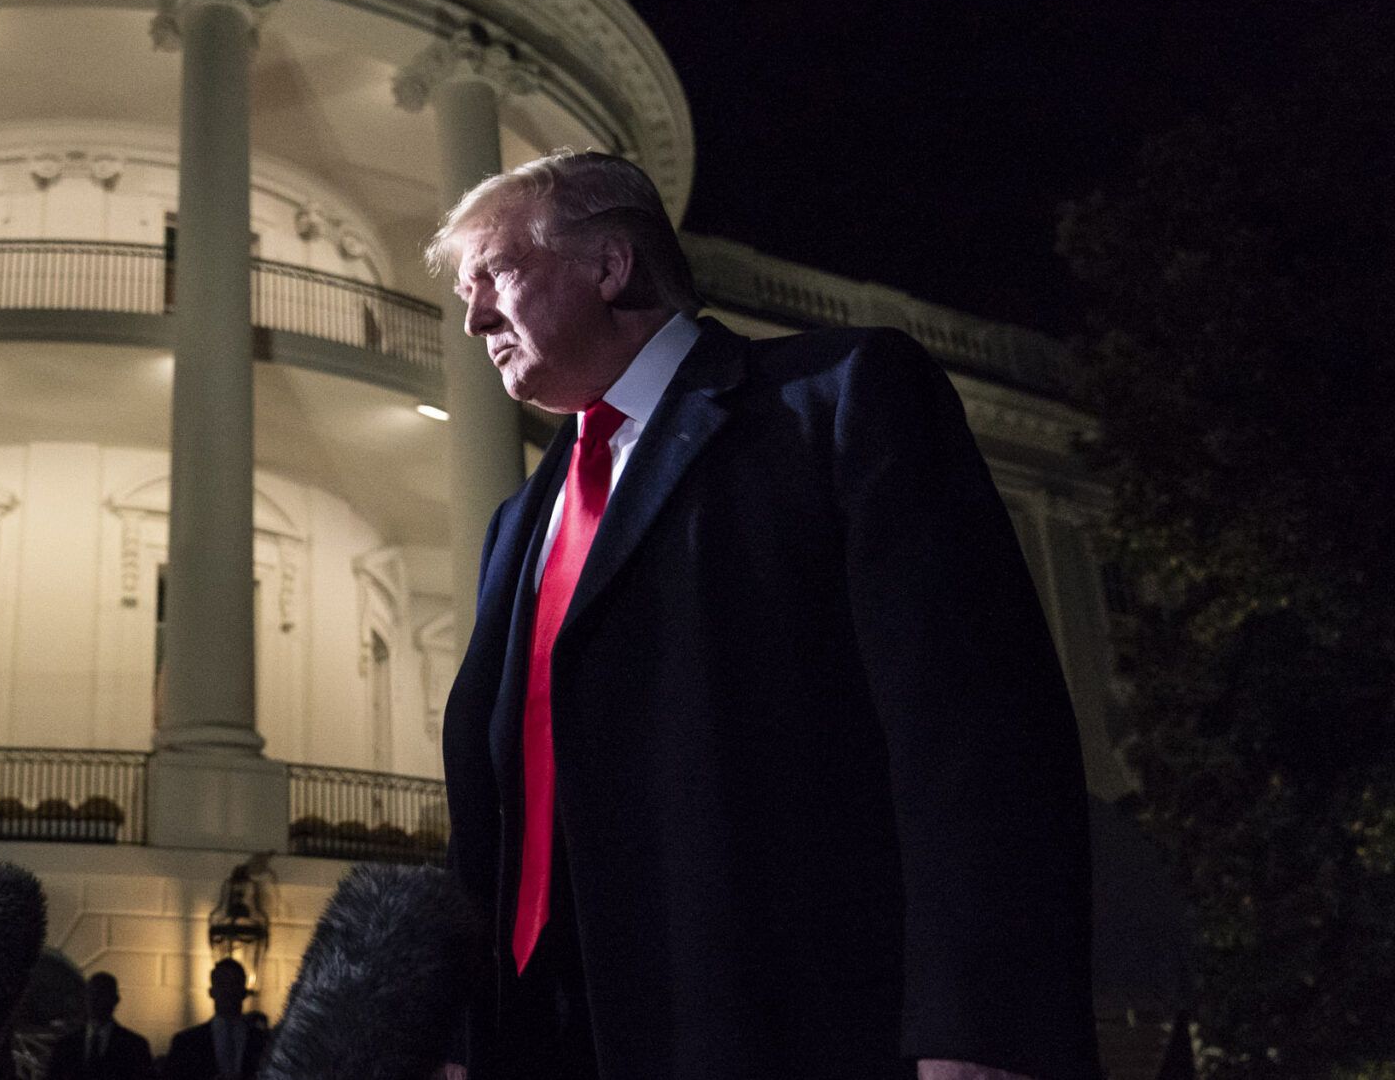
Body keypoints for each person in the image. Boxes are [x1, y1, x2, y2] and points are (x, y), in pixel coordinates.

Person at [431, 150, 1097, 1079]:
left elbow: (972, 732)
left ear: (610, 265)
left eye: (495, 275)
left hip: (791, 1022)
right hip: (553, 1037)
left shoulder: (838, 401)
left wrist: (979, 1029)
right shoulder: (516, 524)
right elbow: (500, 797)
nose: (473, 319)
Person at [160, 959, 268, 1080]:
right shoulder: (185, 1042)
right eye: (222, 984)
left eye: (234, 984)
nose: (228, 990)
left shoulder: (264, 1042)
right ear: (212, 992)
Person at [50, 971, 155, 1080]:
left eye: (101, 994)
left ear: (114, 1000)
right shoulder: (65, 1046)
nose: (94, 999)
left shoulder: (135, 1047)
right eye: (91, 993)